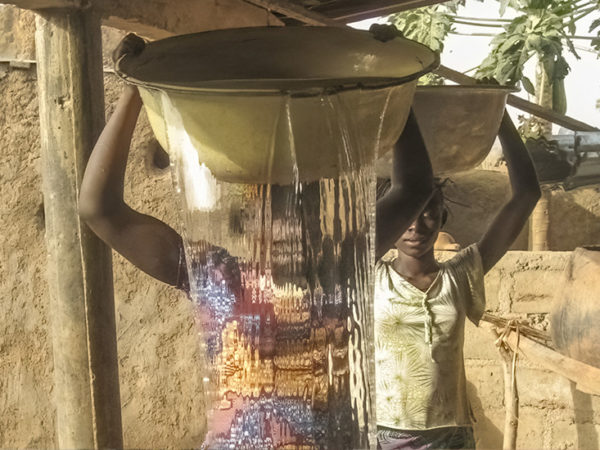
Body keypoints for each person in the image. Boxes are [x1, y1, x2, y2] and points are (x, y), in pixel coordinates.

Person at [374, 106, 540, 449]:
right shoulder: (369, 277)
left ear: (443, 216)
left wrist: (499, 114)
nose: (416, 226)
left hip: (452, 437)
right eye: (405, 215)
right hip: (384, 436)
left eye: (428, 212)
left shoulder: (460, 277)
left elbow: (527, 194)